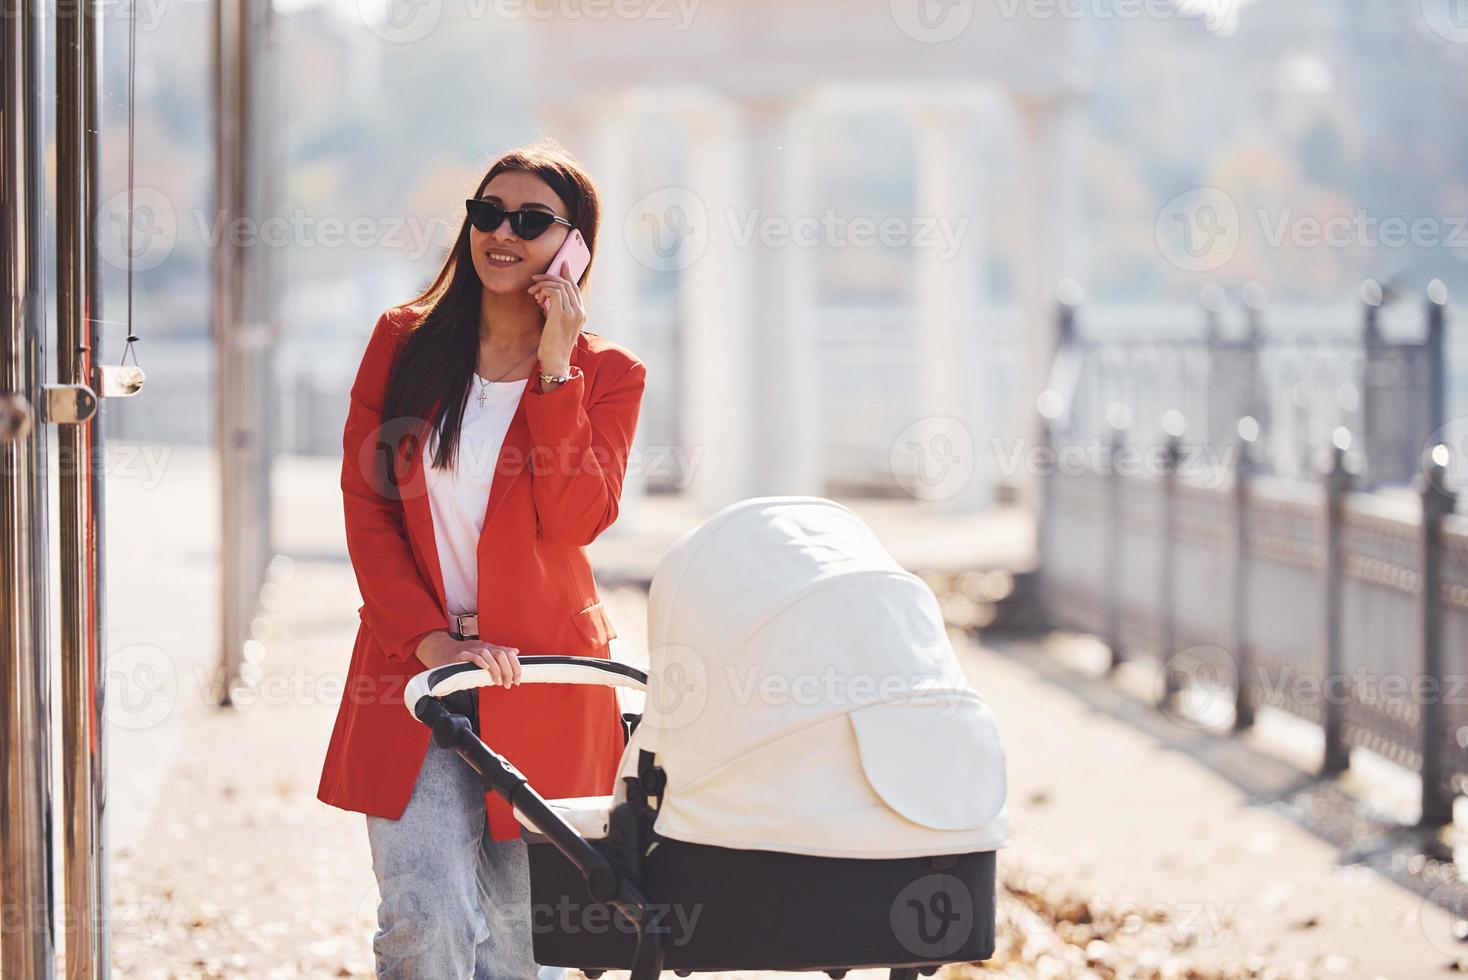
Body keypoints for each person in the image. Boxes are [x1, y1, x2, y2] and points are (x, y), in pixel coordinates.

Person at [316, 137, 648, 979]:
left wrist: (555, 371)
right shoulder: (403, 342)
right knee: (423, 917)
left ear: (574, 247)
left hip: (539, 679)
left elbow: (576, 517)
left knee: (516, 947)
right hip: (414, 671)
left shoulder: (609, 375)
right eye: (488, 212)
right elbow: (368, 505)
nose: (502, 233)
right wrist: (427, 639)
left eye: (532, 221)